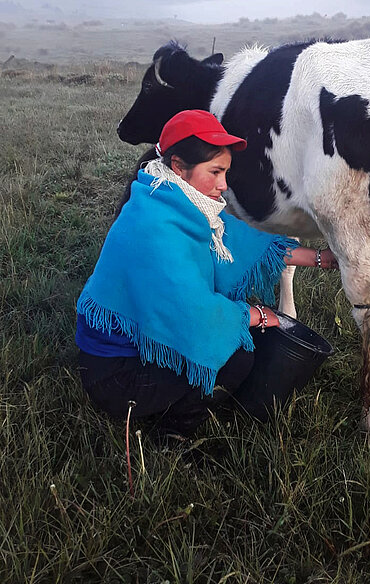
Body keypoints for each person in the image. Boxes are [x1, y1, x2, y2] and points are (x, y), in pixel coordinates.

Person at [76, 110, 338, 438]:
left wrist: (321, 258)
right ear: (178, 167)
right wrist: (256, 314)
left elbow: (237, 243)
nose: (223, 185)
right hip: (115, 377)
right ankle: (174, 432)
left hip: (134, 349)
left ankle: (186, 396)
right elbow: (195, 316)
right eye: (215, 172)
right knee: (237, 355)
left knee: (238, 335)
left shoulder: (176, 199)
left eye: (225, 172)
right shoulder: (154, 225)